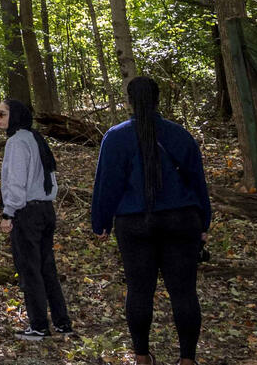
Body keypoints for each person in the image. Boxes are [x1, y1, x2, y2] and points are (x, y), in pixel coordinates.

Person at [90, 77, 210, 365]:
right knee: (183, 291)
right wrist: (204, 221)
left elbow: (107, 183)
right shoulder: (179, 135)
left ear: (128, 101)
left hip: (134, 222)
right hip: (182, 219)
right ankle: (187, 360)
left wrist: (101, 222)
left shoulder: (116, 137)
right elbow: (197, 181)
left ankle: (142, 357)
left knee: (139, 289)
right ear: (158, 100)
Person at [0, 99, 73, 341]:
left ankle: (39, 325)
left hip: (27, 212)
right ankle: (62, 323)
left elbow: (16, 181)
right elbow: (50, 175)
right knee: (46, 268)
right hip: (45, 210)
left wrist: (9, 212)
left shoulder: (17, 141)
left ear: (16, 115)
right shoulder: (35, 138)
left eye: (2, 114)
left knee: (30, 270)